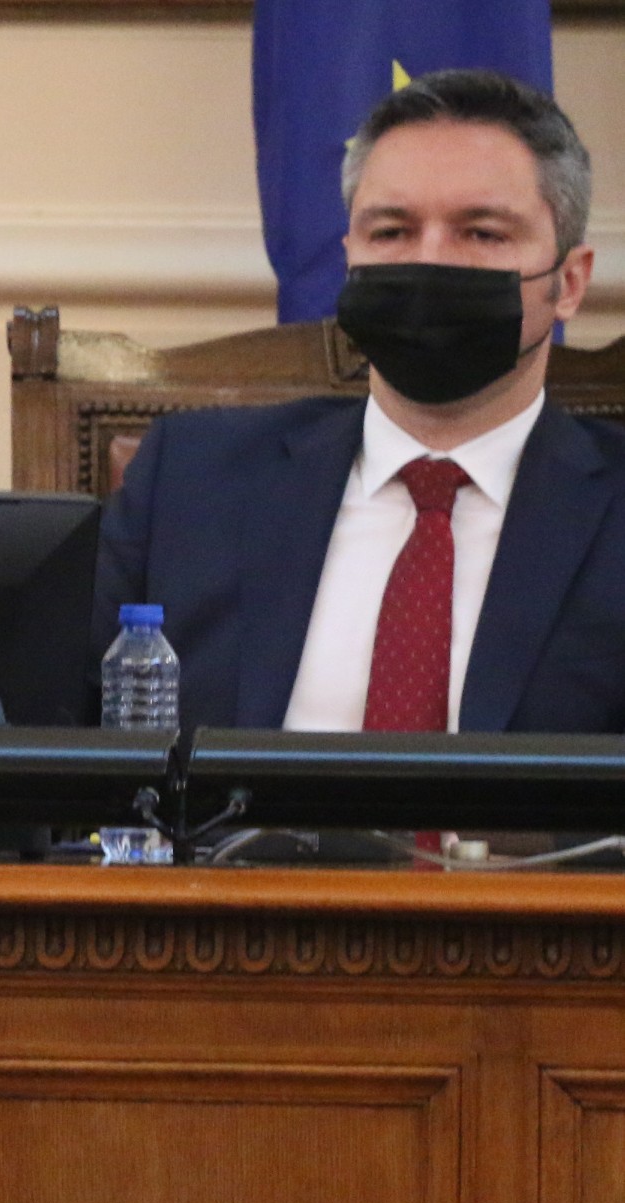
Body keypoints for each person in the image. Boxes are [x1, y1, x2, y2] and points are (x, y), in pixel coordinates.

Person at [100, 68, 625, 737]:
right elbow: (64, 740)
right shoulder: (189, 480)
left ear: (569, 283)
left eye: (482, 233)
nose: (429, 261)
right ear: (349, 257)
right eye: (391, 232)